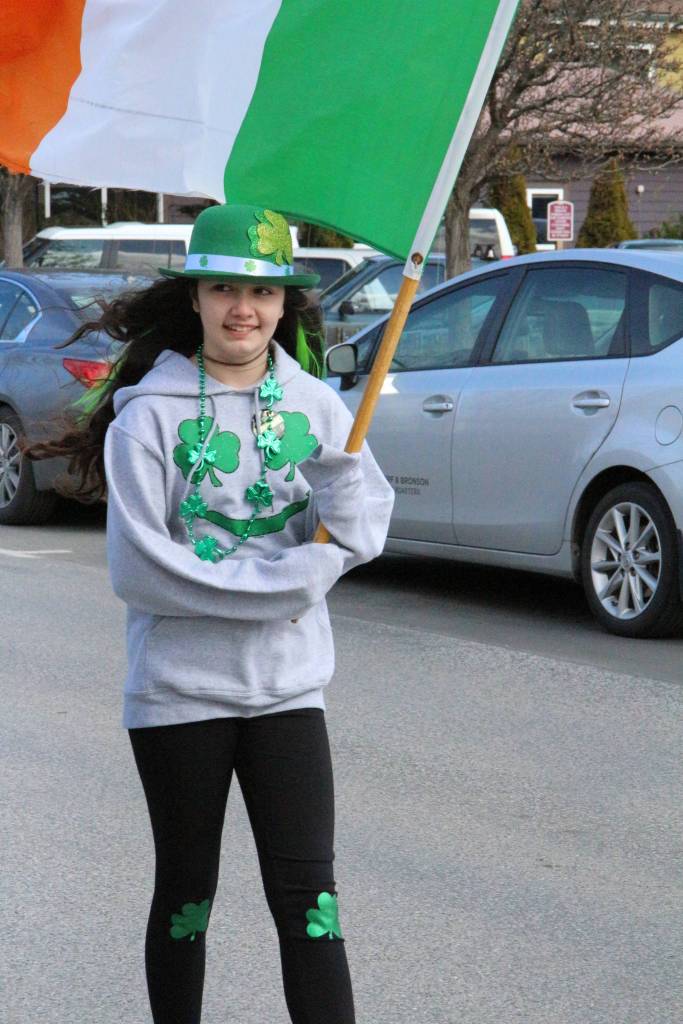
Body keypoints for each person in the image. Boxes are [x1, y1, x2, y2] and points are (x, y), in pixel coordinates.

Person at [21, 202, 394, 1024]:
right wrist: (296, 578)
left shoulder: (319, 409)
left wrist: (339, 486)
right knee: (187, 895)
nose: (243, 310)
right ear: (194, 297)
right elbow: (143, 571)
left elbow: (362, 535)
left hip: (288, 692)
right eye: (223, 288)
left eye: (263, 295)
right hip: (177, 695)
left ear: (285, 306)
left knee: (311, 903)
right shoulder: (147, 419)